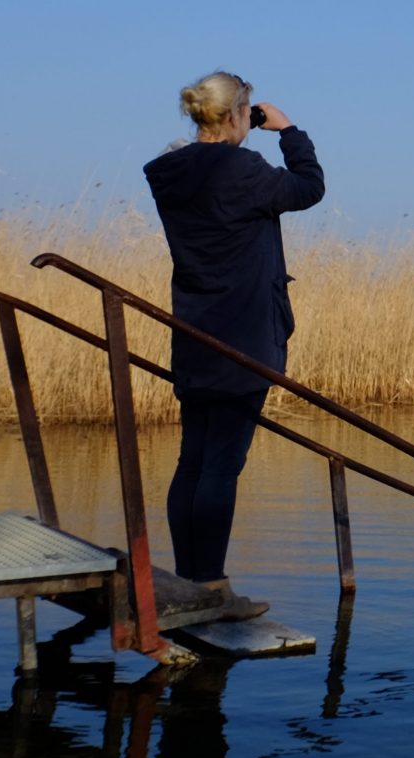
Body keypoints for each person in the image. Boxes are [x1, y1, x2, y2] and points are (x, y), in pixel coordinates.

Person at [143, 71, 325, 620]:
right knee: (221, 467)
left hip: (195, 333)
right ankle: (213, 591)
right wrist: (290, 130)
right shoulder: (244, 170)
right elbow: (309, 188)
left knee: (193, 461)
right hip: (244, 336)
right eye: (247, 113)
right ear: (236, 115)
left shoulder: (170, 172)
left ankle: (191, 583)